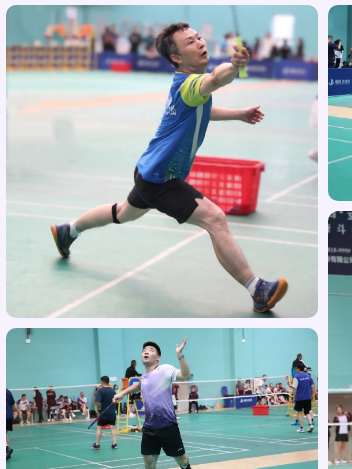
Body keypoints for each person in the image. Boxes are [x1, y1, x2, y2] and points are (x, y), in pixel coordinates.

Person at [50, 22, 287, 314]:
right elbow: (217, 78)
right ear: (176, 57)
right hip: (162, 179)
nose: (200, 43)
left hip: (147, 171)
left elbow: (204, 108)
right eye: (190, 42)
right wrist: (236, 66)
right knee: (214, 219)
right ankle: (257, 289)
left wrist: (239, 114)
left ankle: (69, 230)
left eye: (198, 37)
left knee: (122, 213)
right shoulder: (191, 84)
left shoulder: (186, 85)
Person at [113, 338, 196, 469]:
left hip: (168, 426)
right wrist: (122, 393)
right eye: (144, 349)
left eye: (151, 350)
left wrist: (180, 356)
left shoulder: (165, 369)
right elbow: (139, 385)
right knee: (149, 465)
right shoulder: (143, 377)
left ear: (158, 357)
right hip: (149, 427)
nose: (146, 351)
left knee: (181, 458)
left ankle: (186, 466)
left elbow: (186, 375)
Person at [91, 376, 118, 450]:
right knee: (113, 428)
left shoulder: (100, 391)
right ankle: (114, 444)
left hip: (104, 413)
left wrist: (98, 409)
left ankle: (97, 444)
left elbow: (97, 402)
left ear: (102, 382)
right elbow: (116, 400)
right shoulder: (113, 391)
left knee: (99, 428)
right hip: (112, 413)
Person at [290, 364, 316, 433]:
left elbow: (295, 388)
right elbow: (312, 386)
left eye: (296, 368)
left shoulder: (296, 377)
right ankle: (310, 424)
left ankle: (302, 428)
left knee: (299, 412)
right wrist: (311, 395)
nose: (295, 369)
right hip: (307, 397)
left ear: (298, 369)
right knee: (307, 412)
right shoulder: (308, 376)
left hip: (300, 397)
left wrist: (294, 397)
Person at [6, 389, 17, 460]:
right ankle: (7, 454)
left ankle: (6, 449)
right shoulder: (8, 391)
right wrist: (12, 413)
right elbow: (13, 404)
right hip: (9, 416)